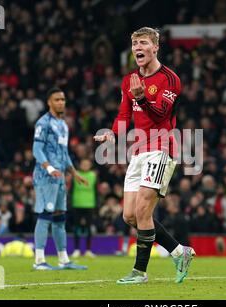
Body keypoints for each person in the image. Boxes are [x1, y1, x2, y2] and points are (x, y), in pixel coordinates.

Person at [94, 27, 195, 284]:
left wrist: (143, 98)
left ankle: (139, 272)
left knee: (142, 210)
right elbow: (124, 115)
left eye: (143, 43)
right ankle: (178, 251)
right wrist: (112, 134)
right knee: (129, 215)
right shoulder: (129, 80)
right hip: (138, 152)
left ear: (155, 47)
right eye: (134, 43)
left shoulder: (170, 79)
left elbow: (160, 114)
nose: (137, 47)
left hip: (161, 149)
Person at [32, 87, 89, 271]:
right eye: (57, 99)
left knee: (59, 218)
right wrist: (49, 168)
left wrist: (75, 173)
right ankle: (39, 260)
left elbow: (64, 153)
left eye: (63, 99)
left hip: (60, 178)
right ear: (49, 102)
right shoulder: (43, 123)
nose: (61, 102)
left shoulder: (63, 125)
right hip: (45, 178)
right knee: (45, 215)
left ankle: (63, 259)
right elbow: (37, 149)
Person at [71, 158, 97, 258]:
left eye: (87, 164)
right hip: (77, 204)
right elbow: (71, 189)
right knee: (76, 228)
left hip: (90, 205)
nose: (85, 166)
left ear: (90, 165)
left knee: (89, 228)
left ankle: (88, 250)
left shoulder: (93, 176)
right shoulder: (75, 174)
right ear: (80, 165)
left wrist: (97, 206)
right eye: (83, 164)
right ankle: (76, 250)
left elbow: (96, 191)